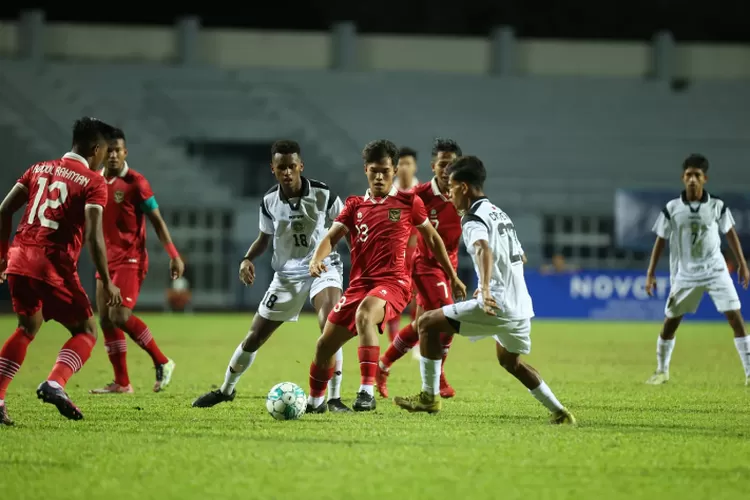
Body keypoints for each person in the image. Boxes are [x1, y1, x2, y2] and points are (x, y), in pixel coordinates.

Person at [394, 156, 576, 425]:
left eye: (452, 188)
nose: (450, 194)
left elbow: (482, 248)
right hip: (521, 306)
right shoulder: (499, 213)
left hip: (497, 303)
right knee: (510, 362)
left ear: (464, 187)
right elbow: (519, 257)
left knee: (427, 322)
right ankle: (561, 412)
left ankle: (429, 397)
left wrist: (486, 287)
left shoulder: (472, 219)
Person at [306, 139, 466, 413]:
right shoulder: (355, 205)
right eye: (373, 171)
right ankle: (315, 402)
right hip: (360, 285)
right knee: (324, 345)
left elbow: (434, 239)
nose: (379, 176)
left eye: (385, 171)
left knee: (365, 314)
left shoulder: (409, 202)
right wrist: (316, 258)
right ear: (365, 170)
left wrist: (452, 275)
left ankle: (365, 392)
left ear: (393, 172)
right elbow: (332, 237)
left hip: (394, 283)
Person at [192, 140, 351, 411]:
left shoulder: (324, 194)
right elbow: (263, 239)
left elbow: (345, 228)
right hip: (287, 273)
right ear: (273, 169)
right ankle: (225, 390)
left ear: (301, 166)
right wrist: (246, 259)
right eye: (281, 167)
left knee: (329, 325)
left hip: (323, 266)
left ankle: (333, 398)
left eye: (292, 166)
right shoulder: (269, 201)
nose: (287, 172)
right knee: (255, 336)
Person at [0, 117, 122, 425]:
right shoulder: (93, 182)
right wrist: (107, 281)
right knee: (86, 330)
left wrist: (3, 256)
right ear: (95, 149)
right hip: (52, 264)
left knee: (27, 327)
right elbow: (94, 236)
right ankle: (55, 382)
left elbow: (4, 210)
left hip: (19, 259)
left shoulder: (38, 168)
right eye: (104, 153)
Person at [90, 128, 183, 394]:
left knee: (120, 315)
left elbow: (157, 221)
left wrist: (174, 255)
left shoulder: (136, 182)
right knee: (106, 320)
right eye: (109, 150)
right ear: (102, 152)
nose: (113, 155)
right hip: (105, 261)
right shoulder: (95, 180)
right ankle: (122, 382)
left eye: (118, 150)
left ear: (125, 152)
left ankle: (162, 361)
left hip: (131, 259)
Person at [645, 154, 750, 385]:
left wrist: (742, 263)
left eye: (697, 175)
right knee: (670, 322)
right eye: (689, 175)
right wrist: (651, 273)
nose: (692, 179)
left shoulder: (717, 206)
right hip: (686, 274)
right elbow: (660, 240)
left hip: (715, 270)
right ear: (683, 178)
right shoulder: (672, 208)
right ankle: (662, 371)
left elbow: (731, 234)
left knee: (736, 318)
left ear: (705, 179)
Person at [377, 138, 463, 399]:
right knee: (449, 319)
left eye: (452, 165)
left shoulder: (464, 193)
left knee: (422, 325)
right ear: (433, 166)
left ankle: (383, 365)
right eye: (442, 165)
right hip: (427, 266)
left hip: (451, 265)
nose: (447, 171)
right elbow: (390, 208)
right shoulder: (421, 195)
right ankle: (438, 376)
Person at [386, 146, 420, 340]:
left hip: (416, 251)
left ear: (415, 167)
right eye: (401, 164)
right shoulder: (388, 192)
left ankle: (414, 343)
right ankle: (393, 341)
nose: (405, 167)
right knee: (393, 296)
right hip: (394, 252)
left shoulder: (421, 192)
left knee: (417, 298)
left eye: (408, 163)